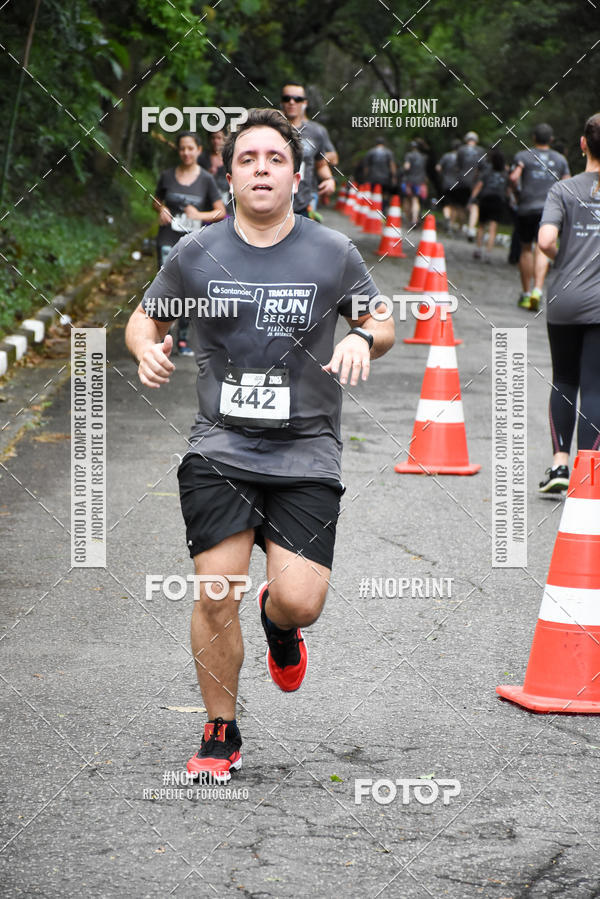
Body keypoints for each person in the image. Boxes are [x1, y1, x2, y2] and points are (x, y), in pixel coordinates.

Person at [125, 108, 395, 781]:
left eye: (275, 159)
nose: (262, 170)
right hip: (221, 445)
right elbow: (143, 318)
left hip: (307, 447)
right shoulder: (196, 251)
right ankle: (220, 728)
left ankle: (281, 626)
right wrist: (144, 351)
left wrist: (362, 336)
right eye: (248, 160)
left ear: (297, 174)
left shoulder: (331, 251)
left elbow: (383, 319)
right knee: (217, 590)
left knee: (301, 599)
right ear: (230, 174)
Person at [536, 113, 600, 493]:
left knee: (564, 379)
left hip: (565, 299)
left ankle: (559, 467)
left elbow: (545, 240)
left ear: (582, 145)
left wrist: (563, 257)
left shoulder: (563, 190)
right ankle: (587, 472)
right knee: (595, 385)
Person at [153, 132, 226, 354]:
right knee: (165, 287)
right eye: (182, 148)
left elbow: (221, 211)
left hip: (193, 241)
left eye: (190, 148)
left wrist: (199, 214)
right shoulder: (167, 175)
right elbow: (156, 199)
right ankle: (160, 335)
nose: (186, 152)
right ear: (178, 150)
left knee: (187, 290)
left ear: (199, 151)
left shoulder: (206, 179)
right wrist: (161, 208)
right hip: (167, 236)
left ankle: (183, 338)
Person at [509, 123, 570, 310]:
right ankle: (538, 289)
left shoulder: (523, 156)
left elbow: (513, 178)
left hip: (526, 208)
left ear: (534, 138)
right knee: (542, 249)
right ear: (551, 140)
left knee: (526, 248)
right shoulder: (560, 159)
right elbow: (567, 184)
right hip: (550, 211)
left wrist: (516, 194)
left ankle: (526, 294)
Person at [280, 81, 336, 216]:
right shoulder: (270, 129)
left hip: (302, 204)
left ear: (304, 103)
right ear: (281, 102)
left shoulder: (316, 132)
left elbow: (321, 164)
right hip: (273, 204)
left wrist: (329, 180)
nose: (292, 102)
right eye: (287, 98)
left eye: (297, 99)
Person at [470, 148, 509, 261]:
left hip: (486, 199)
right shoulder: (505, 174)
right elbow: (508, 189)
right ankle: (488, 252)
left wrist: (473, 198)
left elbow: (479, 185)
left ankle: (478, 249)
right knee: (493, 228)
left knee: (481, 225)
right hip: (498, 200)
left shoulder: (487, 171)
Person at [455, 131, 485, 239]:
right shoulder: (481, 151)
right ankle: (471, 229)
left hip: (461, 181)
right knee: (474, 206)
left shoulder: (461, 150)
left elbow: (457, 167)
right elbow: (483, 167)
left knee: (461, 206)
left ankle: (461, 226)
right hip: (474, 182)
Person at [363, 136, 396, 216]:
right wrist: (394, 176)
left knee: (373, 193)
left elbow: (366, 166)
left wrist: (365, 176)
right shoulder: (388, 152)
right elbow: (392, 165)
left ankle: (373, 210)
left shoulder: (371, 152)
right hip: (385, 177)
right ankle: (383, 210)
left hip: (373, 177)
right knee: (384, 194)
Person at [197, 129, 229, 205]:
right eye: (213, 138)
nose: (216, 141)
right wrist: (206, 174)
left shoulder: (230, 158)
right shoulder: (201, 158)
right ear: (209, 139)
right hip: (205, 202)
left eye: (219, 138)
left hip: (227, 203)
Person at [435, 138, 461, 232]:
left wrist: (443, 174)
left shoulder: (446, 156)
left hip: (446, 183)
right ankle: (451, 224)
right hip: (457, 185)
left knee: (446, 204)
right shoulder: (461, 158)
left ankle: (446, 217)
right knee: (454, 205)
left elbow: (438, 168)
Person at [403, 140, 427, 228]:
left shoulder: (409, 155)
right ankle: (414, 220)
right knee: (415, 200)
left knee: (407, 199)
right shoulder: (423, 157)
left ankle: (410, 219)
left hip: (410, 181)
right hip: (420, 181)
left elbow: (407, 166)